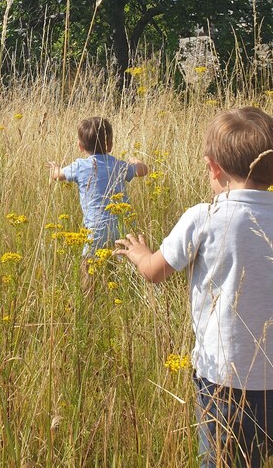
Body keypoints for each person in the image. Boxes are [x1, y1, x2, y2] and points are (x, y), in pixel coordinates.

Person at [114, 106, 273, 468]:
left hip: (223, 379)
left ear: (213, 166)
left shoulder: (206, 216)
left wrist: (140, 253)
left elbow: (155, 272)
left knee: (222, 461)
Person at [48, 116, 148, 251]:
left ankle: (86, 273)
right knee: (122, 262)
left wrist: (55, 168)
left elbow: (57, 176)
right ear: (110, 145)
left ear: (80, 146)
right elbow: (143, 170)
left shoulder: (79, 166)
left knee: (88, 263)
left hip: (96, 227)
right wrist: (135, 160)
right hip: (122, 224)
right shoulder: (118, 165)